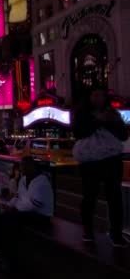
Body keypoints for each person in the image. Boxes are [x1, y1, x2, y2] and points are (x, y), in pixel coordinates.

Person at [73, 87, 129, 247]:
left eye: (101, 95)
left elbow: (123, 135)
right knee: (89, 197)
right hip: (90, 161)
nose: (98, 98)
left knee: (115, 198)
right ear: (89, 96)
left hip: (112, 159)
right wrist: (99, 120)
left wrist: (111, 121)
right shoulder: (82, 113)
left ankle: (116, 234)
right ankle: (88, 231)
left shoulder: (113, 113)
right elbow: (79, 133)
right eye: (95, 94)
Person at [0, 156, 54, 270]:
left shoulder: (42, 182)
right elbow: (19, 197)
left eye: (24, 165)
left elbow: (34, 205)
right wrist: (9, 205)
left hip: (41, 216)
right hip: (25, 213)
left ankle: (9, 260)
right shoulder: (23, 179)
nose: (21, 168)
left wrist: (15, 209)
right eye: (21, 165)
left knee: (11, 221)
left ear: (32, 167)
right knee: (1, 217)